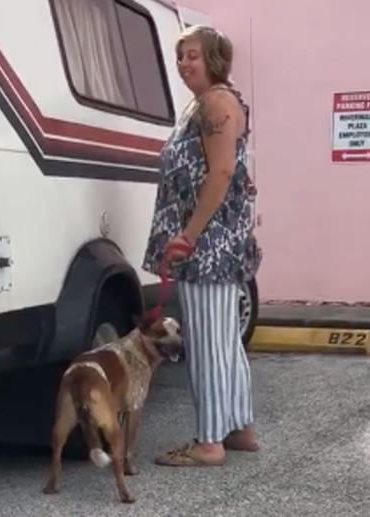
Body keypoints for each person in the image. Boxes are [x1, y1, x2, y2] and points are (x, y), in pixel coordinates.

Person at [141, 25, 263, 467]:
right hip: (214, 241)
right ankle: (239, 429)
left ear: (213, 59)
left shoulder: (216, 102)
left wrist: (188, 235)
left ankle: (209, 441)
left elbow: (221, 174)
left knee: (209, 342)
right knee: (225, 339)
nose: (184, 64)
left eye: (193, 55)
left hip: (206, 246)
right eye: (180, 56)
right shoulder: (208, 102)